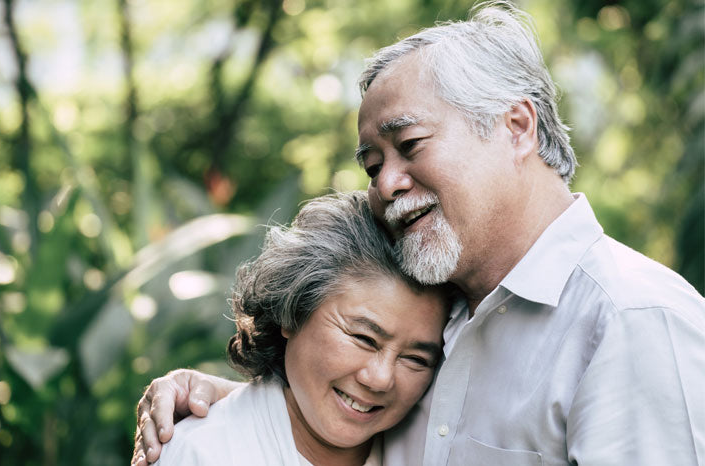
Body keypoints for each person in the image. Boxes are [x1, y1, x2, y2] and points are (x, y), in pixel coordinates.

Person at [134, 2, 705, 465]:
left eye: (408, 146)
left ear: (516, 128)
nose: (386, 183)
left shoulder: (631, 321)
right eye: (372, 165)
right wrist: (228, 411)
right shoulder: (441, 308)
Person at [153, 191, 452, 465]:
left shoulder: (434, 448)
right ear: (291, 313)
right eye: (364, 338)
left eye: (415, 359)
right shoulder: (202, 453)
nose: (381, 379)